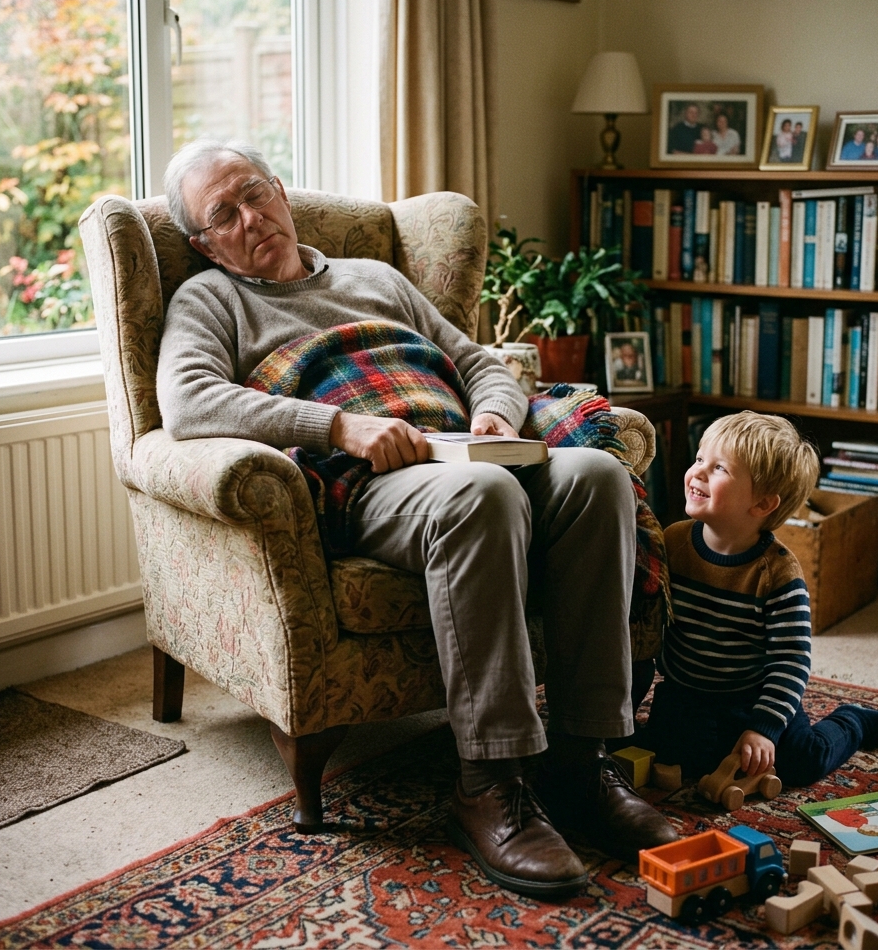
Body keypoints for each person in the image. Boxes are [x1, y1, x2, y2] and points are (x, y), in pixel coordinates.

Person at [156, 138, 677, 900]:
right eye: (223, 215)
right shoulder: (210, 301)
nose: (252, 217)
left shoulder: (374, 277)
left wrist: (498, 416)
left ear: (280, 191)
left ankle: (578, 764)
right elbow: (188, 403)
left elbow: (476, 360)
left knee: (597, 473)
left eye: (255, 193)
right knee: (484, 498)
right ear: (205, 244)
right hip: (371, 482)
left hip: (466, 450)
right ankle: (489, 784)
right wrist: (338, 429)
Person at [644, 411, 878, 788]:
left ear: (762, 505)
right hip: (685, 693)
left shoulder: (778, 575)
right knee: (670, 756)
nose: (698, 473)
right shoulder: (672, 542)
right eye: (699, 459)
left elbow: (791, 661)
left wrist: (764, 728)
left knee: (801, 762)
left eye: (719, 468)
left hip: (750, 697)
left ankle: (854, 721)